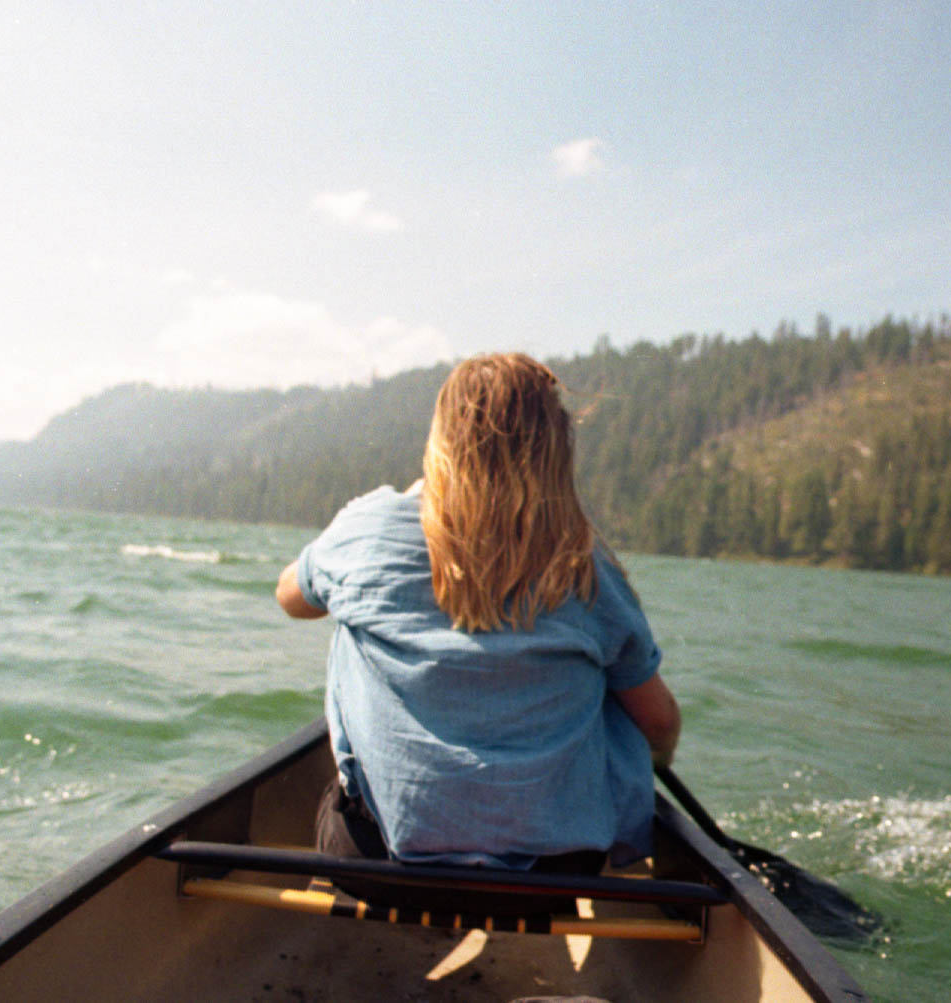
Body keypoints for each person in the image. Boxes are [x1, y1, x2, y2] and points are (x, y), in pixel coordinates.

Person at [275, 352, 679, 890]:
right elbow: (657, 722)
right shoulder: (586, 569)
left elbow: (290, 597)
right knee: (611, 690)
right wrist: (659, 760)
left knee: (348, 621)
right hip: (555, 877)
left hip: (375, 862)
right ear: (554, 452)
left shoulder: (368, 528)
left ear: (440, 442)